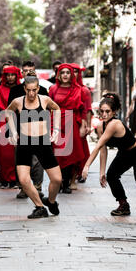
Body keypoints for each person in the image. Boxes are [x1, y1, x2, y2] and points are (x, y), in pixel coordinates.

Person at [82, 93, 136, 219]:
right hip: (124, 153)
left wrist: (87, 166)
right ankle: (123, 205)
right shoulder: (101, 126)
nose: (104, 114)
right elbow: (103, 150)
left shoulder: (114, 124)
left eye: (107, 111)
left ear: (114, 112)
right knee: (111, 175)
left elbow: (98, 146)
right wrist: (102, 172)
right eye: (102, 111)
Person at [6, 76, 62, 218]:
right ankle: (39, 207)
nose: (31, 94)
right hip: (24, 142)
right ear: (24, 88)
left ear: (38, 88)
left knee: (57, 179)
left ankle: (51, 201)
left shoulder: (44, 99)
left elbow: (57, 109)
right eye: (28, 90)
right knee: (24, 180)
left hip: (42, 142)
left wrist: (56, 129)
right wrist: (13, 131)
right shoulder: (18, 101)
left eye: (34, 90)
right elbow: (8, 112)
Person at [7, 61, 48, 199]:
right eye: (25, 70)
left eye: (31, 70)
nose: (28, 72)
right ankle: (23, 187)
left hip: (38, 130)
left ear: (35, 72)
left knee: (37, 159)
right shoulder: (15, 91)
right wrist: (12, 132)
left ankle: (37, 186)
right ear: (22, 73)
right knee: (21, 159)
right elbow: (10, 113)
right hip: (20, 130)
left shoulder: (42, 90)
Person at [49, 64, 86, 193]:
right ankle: (58, 181)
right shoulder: (53, 89)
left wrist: (83, 125)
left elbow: (82, 110)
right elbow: (49, 107)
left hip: (71, 121)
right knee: (58, 153)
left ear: (72, 75)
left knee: (69, 153)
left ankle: (66, 183)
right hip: (57, 121)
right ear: (58, 74)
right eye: (62, 72)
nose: (65, 75)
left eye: (68, 72)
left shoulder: (78, 89)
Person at [0, 65, 22, 188]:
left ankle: (16, 179)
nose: (10, 77)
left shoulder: (21, 89)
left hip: (19, 121)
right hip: (3, 121)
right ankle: (5, 178)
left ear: (16, 76)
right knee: (5, 153)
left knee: (19, 153)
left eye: (12, 75)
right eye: (8, 75)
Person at [70, 63, 92, 186]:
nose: (73, 74)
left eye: (76, 71)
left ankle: (78, 173)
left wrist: (87, 126)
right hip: (66, 123)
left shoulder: (84, 90)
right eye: (71, 71)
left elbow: (88, 109)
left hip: (79, 124)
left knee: (80, 151)